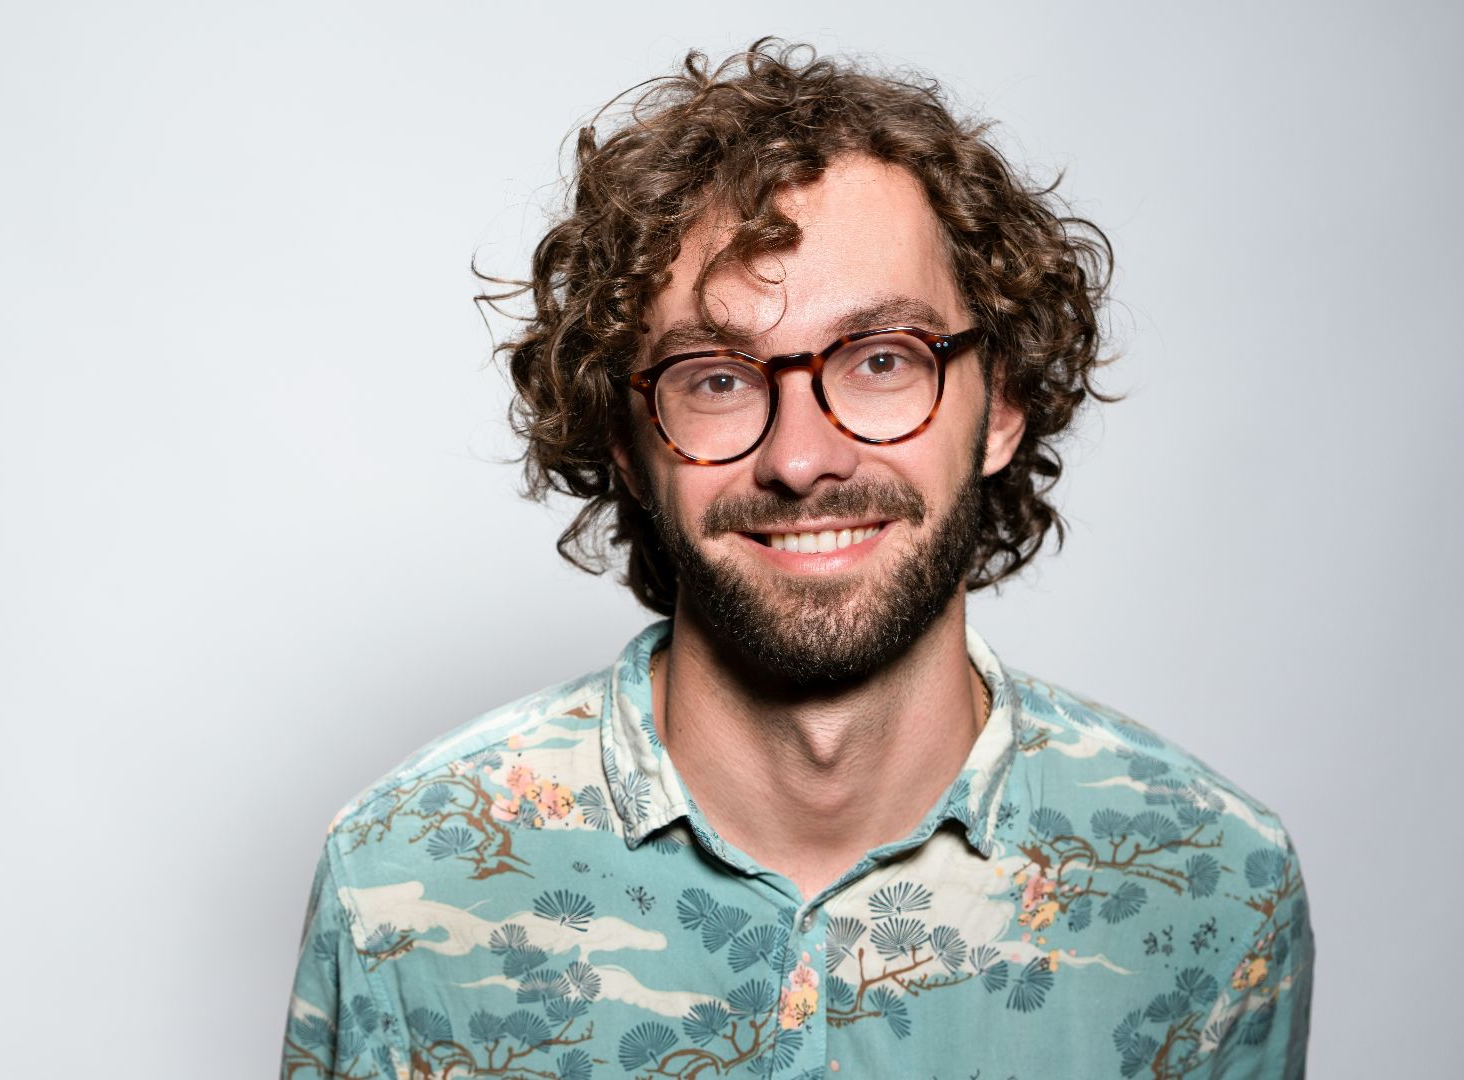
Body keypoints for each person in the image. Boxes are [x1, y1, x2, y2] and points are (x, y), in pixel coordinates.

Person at [281, 40, 1311, 1079]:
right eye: (717, 378)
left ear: (1001, 405)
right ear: (630, 445)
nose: (802, 458)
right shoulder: (402, 878)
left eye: (881, 360)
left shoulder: (1214, 891)